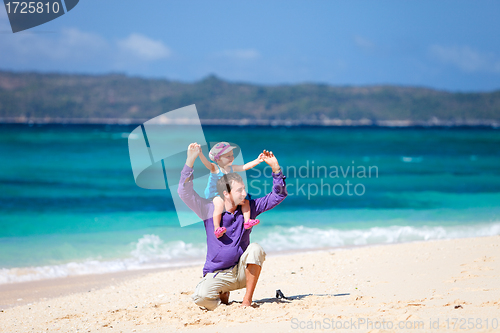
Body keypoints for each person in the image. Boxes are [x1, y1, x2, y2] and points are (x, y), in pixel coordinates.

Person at [178, 143, 287, 310]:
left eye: (244, 189)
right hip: (218, 274)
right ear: (226, 194)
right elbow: (184, 192)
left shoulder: (250, 207)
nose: (244, 193)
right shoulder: (209, 210)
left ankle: (247, 301)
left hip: (242, 272)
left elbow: (278, 195)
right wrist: (190, 161)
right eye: (239, 191)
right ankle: (223, 294)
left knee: (255, 248)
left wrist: (276, 169)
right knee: (201, 298)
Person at [198, 142, 263, 238]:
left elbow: (244, 166)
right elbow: (206, 163)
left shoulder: (232, 168)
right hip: (215, 193)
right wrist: (200, 153)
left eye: (232, 155)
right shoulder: (215, 168)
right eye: (228, 156)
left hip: (228, 192)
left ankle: (247, 221)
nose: (232, 158)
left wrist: (258, 160)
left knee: (245, 200)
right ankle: (217, 228)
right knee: (219, 204)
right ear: (218, 159)